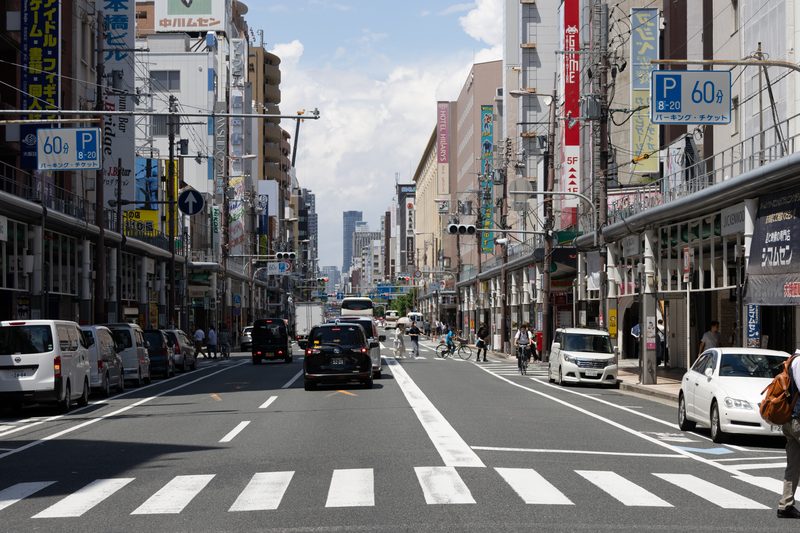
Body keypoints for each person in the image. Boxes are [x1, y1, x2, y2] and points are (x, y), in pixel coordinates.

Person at [778, 350, 800, 518]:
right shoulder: (799, 362)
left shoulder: (792, 359)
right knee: (793, 464)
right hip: (797, 420)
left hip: (790, 420)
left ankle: (785, 504)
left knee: (793, 464)